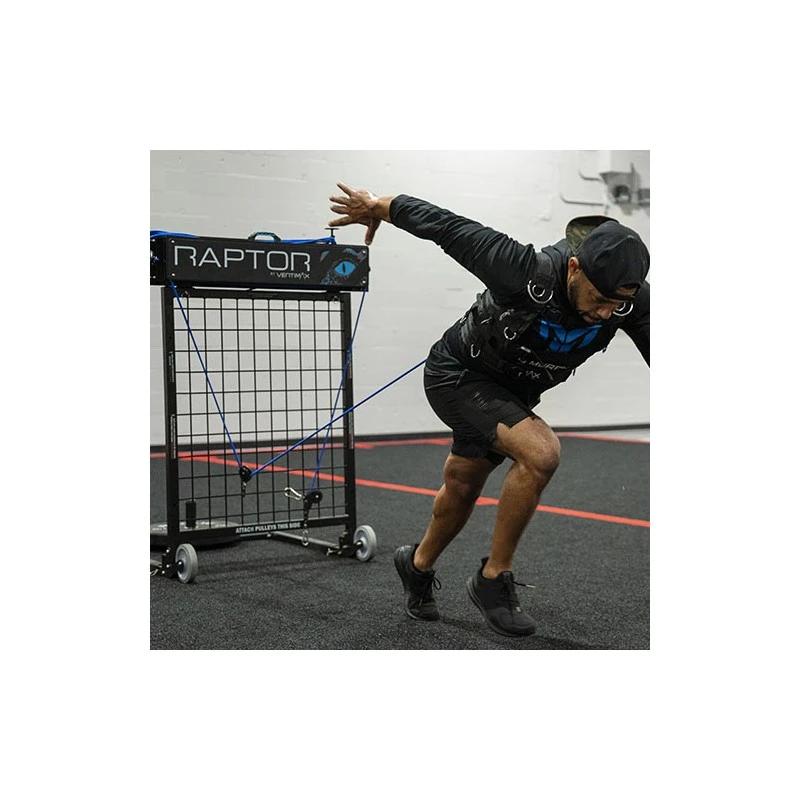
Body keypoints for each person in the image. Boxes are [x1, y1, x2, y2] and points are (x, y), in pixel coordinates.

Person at [328, 183, 650, 637]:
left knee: (462, 487)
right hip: (457, 375)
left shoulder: (630, 303)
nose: (605, 314)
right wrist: (376, 206)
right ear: (575, 268)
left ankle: (416, 565)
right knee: (541, 453)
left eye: (616, 305)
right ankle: (492, 579)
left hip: (510, 395)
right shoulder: (523, 269)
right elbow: (446, 227)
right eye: (598, 300)